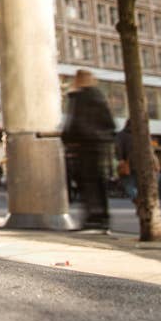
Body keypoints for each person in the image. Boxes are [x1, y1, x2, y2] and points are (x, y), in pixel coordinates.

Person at [62, 70, 114, 229]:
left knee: (87, 181)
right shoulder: (99, 97)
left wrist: (68, 139)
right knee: (98, 180)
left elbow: (75, 121)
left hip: (84, 144)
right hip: (98, 144)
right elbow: (109, 123)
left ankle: (93, 217)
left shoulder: (80, 97)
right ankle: (102, 216)